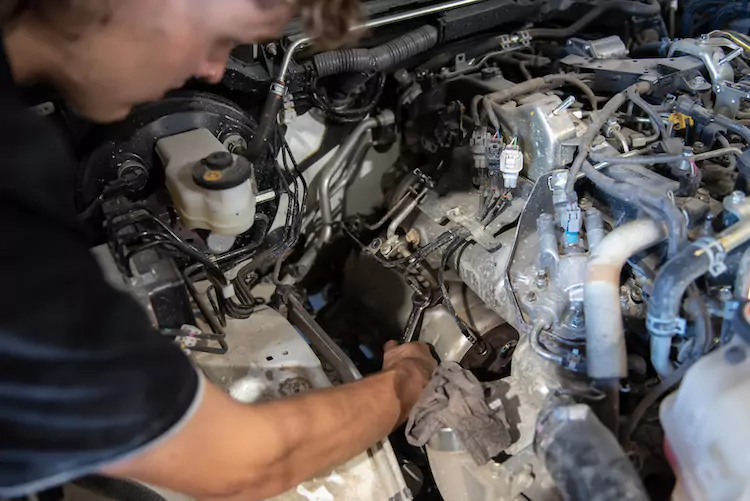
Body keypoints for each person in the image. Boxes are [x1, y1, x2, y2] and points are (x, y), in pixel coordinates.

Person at [0, 1, 437, 499]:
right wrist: (404, 385)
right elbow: (246, 462)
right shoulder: (15, 217)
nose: (211, 69)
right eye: (217, 39)